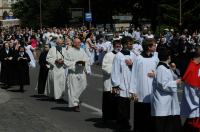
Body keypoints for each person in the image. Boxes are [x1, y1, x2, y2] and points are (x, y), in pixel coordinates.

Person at [131, 38, 159, 132]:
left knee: (151, 113)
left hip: (152, 90)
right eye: (154, 45)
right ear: (148, 46)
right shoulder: (139, 58)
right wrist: (133, 91)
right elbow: (133, 75)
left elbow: (160, 71)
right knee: (140, 113)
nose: (155, 47)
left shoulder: (155, 58)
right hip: (141, 90)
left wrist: (155, 74)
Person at [151, 46, 182, 132]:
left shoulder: (166, 67)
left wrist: (174, 70)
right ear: (169, 57)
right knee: (162, 126)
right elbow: (163, 85)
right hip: (162, 102)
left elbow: (172, 77)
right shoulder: (161, 69)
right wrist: (176, 82)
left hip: (167, 102)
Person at [111, 36, 137, 131]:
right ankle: (121, 124)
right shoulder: (118, 56)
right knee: (121, 105)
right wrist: (116, 85)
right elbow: (115, 71)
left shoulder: (133, 55)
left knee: (127, 105)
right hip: (121, 85)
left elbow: (137, 67)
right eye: (130, 44)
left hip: (130, 84)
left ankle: (126, 122)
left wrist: (132, 65)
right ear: (125, 45)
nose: (132, 45)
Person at [64, 38, 90, 112]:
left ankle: (77, 101)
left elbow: (87, 59)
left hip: (81, 72)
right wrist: (75, 63)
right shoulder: (69, 51)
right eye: (77, 43)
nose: (79, 44)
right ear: (74, 43)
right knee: (73, 89)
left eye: (80, 42)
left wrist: (86, 67)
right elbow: (66, 62)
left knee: (83, 87)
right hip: (73, 73)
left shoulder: (82, 50)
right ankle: (75, 104)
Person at [181, 46, 200, 132]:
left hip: (195, 101)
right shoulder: (192, 67)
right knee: (192, 124)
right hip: (194, 102)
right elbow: (193, 88)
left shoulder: (195, 65)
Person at [101, 40, 121, 122]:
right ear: (113, 46)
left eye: (120, 46)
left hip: (118, 83)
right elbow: (104, 67)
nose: (118, 48)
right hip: (109, 83)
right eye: (117, 46)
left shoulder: (121, 56)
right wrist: (115, 68)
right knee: (108, 102)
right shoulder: (108, 55)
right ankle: (106, 118)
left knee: (117, 102)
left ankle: (115, 118)